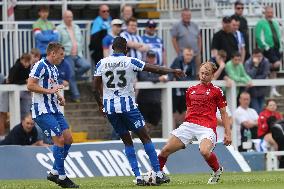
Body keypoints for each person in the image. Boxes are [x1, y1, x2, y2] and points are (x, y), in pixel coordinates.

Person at [93, 36, 184, 185]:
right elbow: (154, 68)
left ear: (112, 48)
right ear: (126, 49)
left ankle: (138, 177)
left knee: (127, 142)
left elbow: (94, 88)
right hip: (128, 106)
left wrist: (100, 105)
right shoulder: (130, 61)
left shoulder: (101, 63)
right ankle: (158, 173)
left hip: (110, 108)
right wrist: (173, 70)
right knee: (145, 137)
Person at [157, 62, 232, 184]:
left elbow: (224, 113)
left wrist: (228, 133)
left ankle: (217, 170)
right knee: (164, 151)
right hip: (189, 125)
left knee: (204, 151)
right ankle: (157, 174)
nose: (203, 76)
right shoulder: (191, 90)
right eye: (202, 73)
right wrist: (187, 129)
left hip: (206, 127)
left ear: (212, 75)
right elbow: (190, 109)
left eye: (207, 74)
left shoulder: (217, 91)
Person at [27, 42, 78, 188]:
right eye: (61, 55)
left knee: (68, 139)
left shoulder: (54, 68)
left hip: (54, 108)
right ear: (53, 53)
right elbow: (30, 85)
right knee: (59, 140)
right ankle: (62, 177)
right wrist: (49, 91)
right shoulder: (40, 65)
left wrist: (58, 96)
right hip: (42, 110)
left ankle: (54, 171)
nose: (63, 58)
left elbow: (52, 87)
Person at [56, 10, 91, 102]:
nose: (70, 19)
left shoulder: (76, 27)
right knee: (70, 74)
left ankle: (73, 77)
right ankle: (76, 96)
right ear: (64, 18)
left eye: (71, 17)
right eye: (67, 17)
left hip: (78, 54)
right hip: (67, 55)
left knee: (87, 66)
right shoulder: (59, 28)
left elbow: (80, 41)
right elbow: (58, 43)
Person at [137, 50, 168, 133]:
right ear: (147, 58)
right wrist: (158, 79)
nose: (151, 59)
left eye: (153, 57)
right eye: (150, 57)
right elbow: (144, 79)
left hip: (155, 100)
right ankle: (146, 136)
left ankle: (148, 134)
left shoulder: (158, 68)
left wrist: (165, 79)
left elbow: (167, 77)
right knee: (144, 121)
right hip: (144, 100)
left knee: (155, 120)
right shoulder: (143, 68)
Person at [255, 6, 282, 96]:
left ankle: (273, 89)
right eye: (268, 12)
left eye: (271, 12)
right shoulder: (261, 23)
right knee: (272, 66)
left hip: (277, 48)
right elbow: (258, 37)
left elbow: (279, 35)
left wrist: (281, 47)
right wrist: (266, 47)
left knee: (274, 69)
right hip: (267, 49)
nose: (270, 14)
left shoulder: (275, 23)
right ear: (265, 13)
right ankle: (267, 89)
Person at [169, 48, 196, 128]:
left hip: (184, 93)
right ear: (183, 55)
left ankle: (185, 136)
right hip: (174, 92)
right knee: (172, 115)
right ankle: (171, 135)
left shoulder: (192, 63)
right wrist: (187, 80)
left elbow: (193, 78)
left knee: (186, 114)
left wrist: (186, 80)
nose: (189, 57)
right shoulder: (178, 60)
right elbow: (178, 75)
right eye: (187, 54)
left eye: (191, 55)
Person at [171, 8, 201, 73]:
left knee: (197, 71)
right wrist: (178, 52)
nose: (188, 17)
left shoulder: (194, 25)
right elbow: (174, 39)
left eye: (189, 15)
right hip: (183, 54)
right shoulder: (176, 26)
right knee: (183, 72)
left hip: (195, 53)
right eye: (186, 15)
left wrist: (199, 50)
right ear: (182, 16)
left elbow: (199, 37)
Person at [245, 48, 270, 114]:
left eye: (260, 56)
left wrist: (254, 79)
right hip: (252, 91)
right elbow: (249, 76)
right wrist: (255, 66)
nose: (258, 58)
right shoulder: (248, 62)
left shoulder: (266, 61)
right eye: (256, 56)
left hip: (262, 90)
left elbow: (265, 75)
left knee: (261, 110)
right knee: (256, 110)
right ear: (253, 56)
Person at [8, 53, 32, 119]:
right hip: (15, 92)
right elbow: (12, 81)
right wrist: (25, 81)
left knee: (27, 109)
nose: (27, 64)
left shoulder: (28, 67)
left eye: (28, 62)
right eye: (25, 62)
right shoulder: (16, 68)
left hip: (25, 91)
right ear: (21, 60)